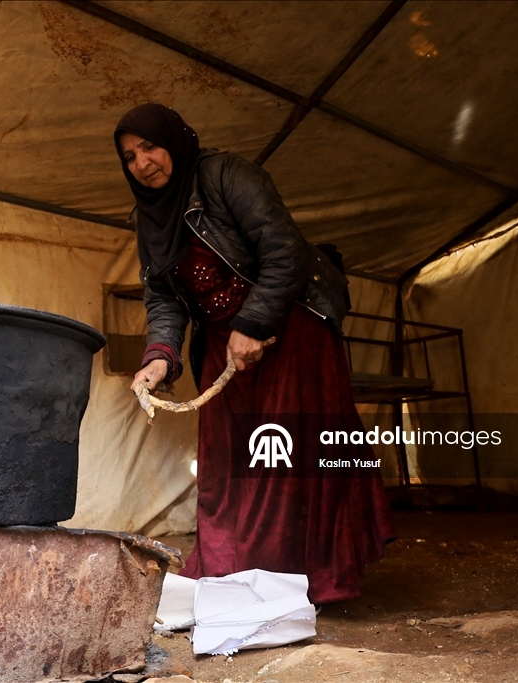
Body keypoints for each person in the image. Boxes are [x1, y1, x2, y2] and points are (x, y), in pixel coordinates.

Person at [116, 103, 395, 604]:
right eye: (130, 156)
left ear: (173, 141)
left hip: (289, 328)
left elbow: (285, 250)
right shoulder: (147, 218)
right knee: (224, 465)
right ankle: (232, 576)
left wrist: (252, 323)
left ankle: (296, 582)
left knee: (284, 457)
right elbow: (163, 299)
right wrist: (159, 356)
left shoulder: (227, 175)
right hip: (223, 342)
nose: (142, 163)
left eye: (150, 147)